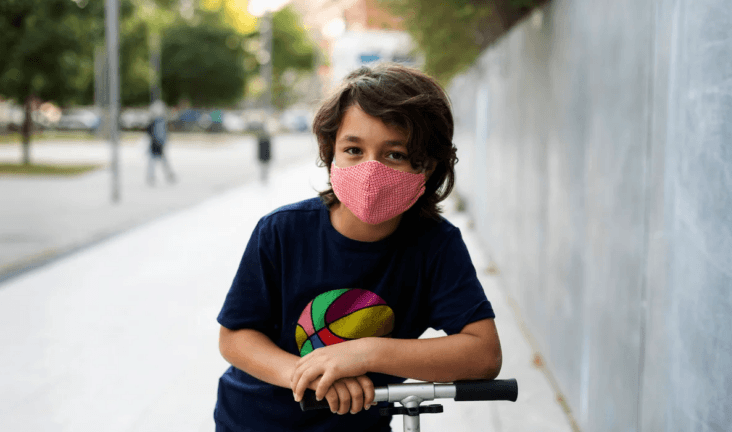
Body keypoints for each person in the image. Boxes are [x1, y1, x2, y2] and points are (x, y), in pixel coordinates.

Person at [215, 63, 503, 432]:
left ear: (427, 166)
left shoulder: (434, 245)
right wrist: (312, 374)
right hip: (254, 422)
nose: (371, 169)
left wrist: (363, 352)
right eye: (353, 149)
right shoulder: (282, 231)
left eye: (394, 154)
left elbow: (483, 353)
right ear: (330, 152)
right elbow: (236, 335)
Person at [146, 100, 176, 185]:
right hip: (157, 144)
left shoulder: (156, 121)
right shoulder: (159, 121)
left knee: (155, 161)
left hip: (156, 143)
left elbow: (151, 133)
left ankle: (154, 176)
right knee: (158, 161)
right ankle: (167, 175)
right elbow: (160, 134)